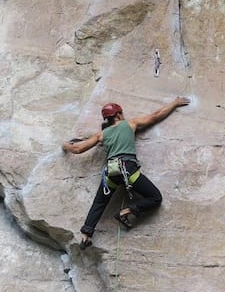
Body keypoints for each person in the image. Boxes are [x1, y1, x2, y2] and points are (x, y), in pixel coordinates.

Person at [61, 96, 190, 249]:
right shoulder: (130, 124)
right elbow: (155, 116)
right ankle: (127, 211)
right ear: (119, 115)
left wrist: (65, 145)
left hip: (111, 173)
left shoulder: (101, 135)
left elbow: (77, 149)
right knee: (155, 197)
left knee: (99, 202)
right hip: (128, 170)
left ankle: (86, 235)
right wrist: (174, 103)